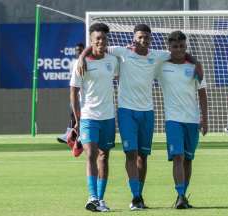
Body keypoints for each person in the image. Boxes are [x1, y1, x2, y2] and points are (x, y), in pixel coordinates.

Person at [78, 24, 203, 210]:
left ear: (150, 39)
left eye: (146, 37)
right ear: (134, 39)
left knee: (143, 157)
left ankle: (141, 196)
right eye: (139, 37)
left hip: (147, 112)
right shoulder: (122, 52)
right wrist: (81, 57)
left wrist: (197, 62)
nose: (143, 40)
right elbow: (99, 46)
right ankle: (135, 197)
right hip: (126, 111)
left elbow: (179, 53)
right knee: (131, 153)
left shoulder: (157, 56)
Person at [70, 23, 118, 212]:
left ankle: (100, 198)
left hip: (108, 117)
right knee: (90, 153)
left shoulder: (113, 61)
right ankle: (91, 196)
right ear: (91, 41)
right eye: (97, 38)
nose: (101, 41)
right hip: (89, 116)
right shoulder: (81, 63)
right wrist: (77, 119)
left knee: (104, 157)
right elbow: (73, 92)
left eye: (103, 38)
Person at [156, 30, 208, 209]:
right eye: (175, 46)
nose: (178, 49)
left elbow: (202, 93)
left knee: (188, 159)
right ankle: (179, 196)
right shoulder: (161, 65)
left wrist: (205, 119)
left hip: (192, 120)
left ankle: (183, 196)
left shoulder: (194, 67)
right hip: (173, 120)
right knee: (177, 156)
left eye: (181, 46)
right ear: (168, 47)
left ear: (186, 47)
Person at [57, 43, 84, 144]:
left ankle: (77, 135)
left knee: (80, 115)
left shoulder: (85, 61)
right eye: (77, 50)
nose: (78, 52)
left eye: (80, 50)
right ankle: (70, 135)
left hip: (84, 94)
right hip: (76, 94)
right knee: (73, 114)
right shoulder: (74, 63)